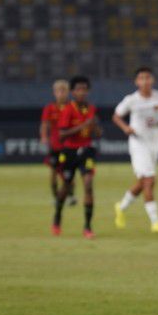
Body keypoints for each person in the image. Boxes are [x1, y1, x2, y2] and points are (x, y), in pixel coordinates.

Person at [112, 67, 158, 234]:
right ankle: (155, 222)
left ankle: (121, 206)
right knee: (149, 180)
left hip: (155, 143)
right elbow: (116, 116)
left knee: (143, 182)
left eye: (148, 77)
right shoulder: (131, 100)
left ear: (153, 80)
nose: (145, 81)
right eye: (141, 78)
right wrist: (125, 127)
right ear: (136, 82)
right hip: (138, 142)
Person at [54, 75, 100, 238]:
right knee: (66, 187)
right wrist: (82, 126)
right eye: (78, 89)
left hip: (86, 149)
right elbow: (61, 135)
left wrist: (95, 127)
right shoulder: (67, 110)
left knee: (88, 184)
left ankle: (87, 227)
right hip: (69, 152)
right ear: (73, 92)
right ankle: (57, 217)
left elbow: (97, 133)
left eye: (84, 89)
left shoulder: (92, 109)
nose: (82, 92)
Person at [39, 79, 75, 206]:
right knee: (54, 173)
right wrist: (44, 136)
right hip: (55, 146)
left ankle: (71, 196)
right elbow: (44, 124)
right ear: (54, 93)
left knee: (69, 173)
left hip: (69, 145)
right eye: (58, 91)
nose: (61, 93)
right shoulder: (49, 108)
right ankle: (55, 197)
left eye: (63, 90)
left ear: (68, 92)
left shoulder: (72, 107)